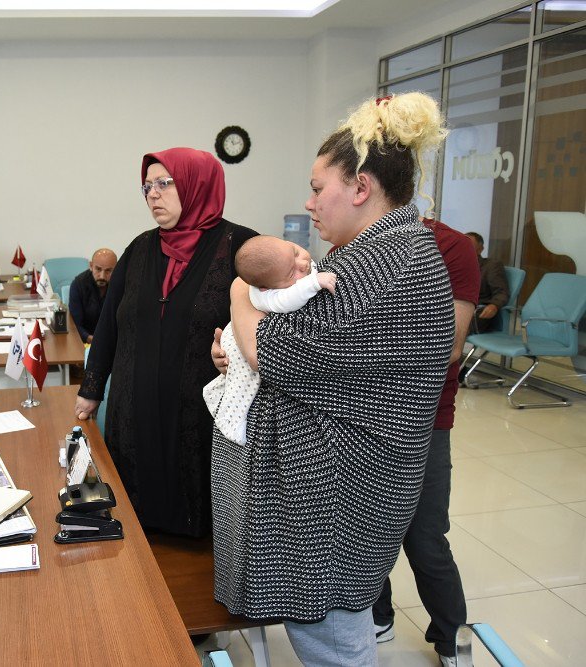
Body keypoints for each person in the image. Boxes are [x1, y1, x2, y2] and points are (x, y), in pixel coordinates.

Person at [210, 92, 455, 666]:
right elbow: (313, 366)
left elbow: (275, 351)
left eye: (319, 189)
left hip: (339, 506)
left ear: (361, 187)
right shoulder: (388, 249)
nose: (309, 202)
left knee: (336, 649)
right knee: (340, 637)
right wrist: (242, 356)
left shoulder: (375, 269)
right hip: (350, 494)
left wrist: (239, 295)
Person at [74, 147, 256, 537]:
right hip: (133, 409)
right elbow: (108, 325)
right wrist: (92, 388)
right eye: (147, 186)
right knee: (135, 527)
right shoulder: (139, 249)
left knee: (196, 534)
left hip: (201, 415)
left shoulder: (241, 247)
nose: (152, 194)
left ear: (197, 184)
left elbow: (268, 320)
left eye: (164, 183)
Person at [372, 217, 478, 666]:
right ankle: (378, 613)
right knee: (366, 530)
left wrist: (349, 354)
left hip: (423, 418)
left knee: (425, 538)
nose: (311, 203)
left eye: (321, 189)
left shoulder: (450, 247)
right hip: (360, 418)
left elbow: (449, 346)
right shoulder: (347, 249)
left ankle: (452, 637)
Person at [203, 235, 336, 445]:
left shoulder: (277, 271)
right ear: (267, 287)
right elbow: (287, 303)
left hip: (241, 331)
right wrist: (313, 283)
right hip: (236, 343)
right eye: (293, 272)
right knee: (243, 382)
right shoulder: (265, 294)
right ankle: (232, 418)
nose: (303, 263)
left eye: (295, 251)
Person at [68, 247, 118, 343]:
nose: (102, 276)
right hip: (86, 341)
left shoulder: (121, 285)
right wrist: (92, 339)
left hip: (113, 342)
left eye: (108, 271)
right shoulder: (78, 284)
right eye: (98, 269)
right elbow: (74, 324)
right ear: (91, 266)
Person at [465, 231, 509, 333]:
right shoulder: (454, 265)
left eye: (469, 245)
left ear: (480, 249)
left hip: (476, 311)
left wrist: (494, 305)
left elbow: (501, 292)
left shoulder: (491, 266)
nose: (464, 248)